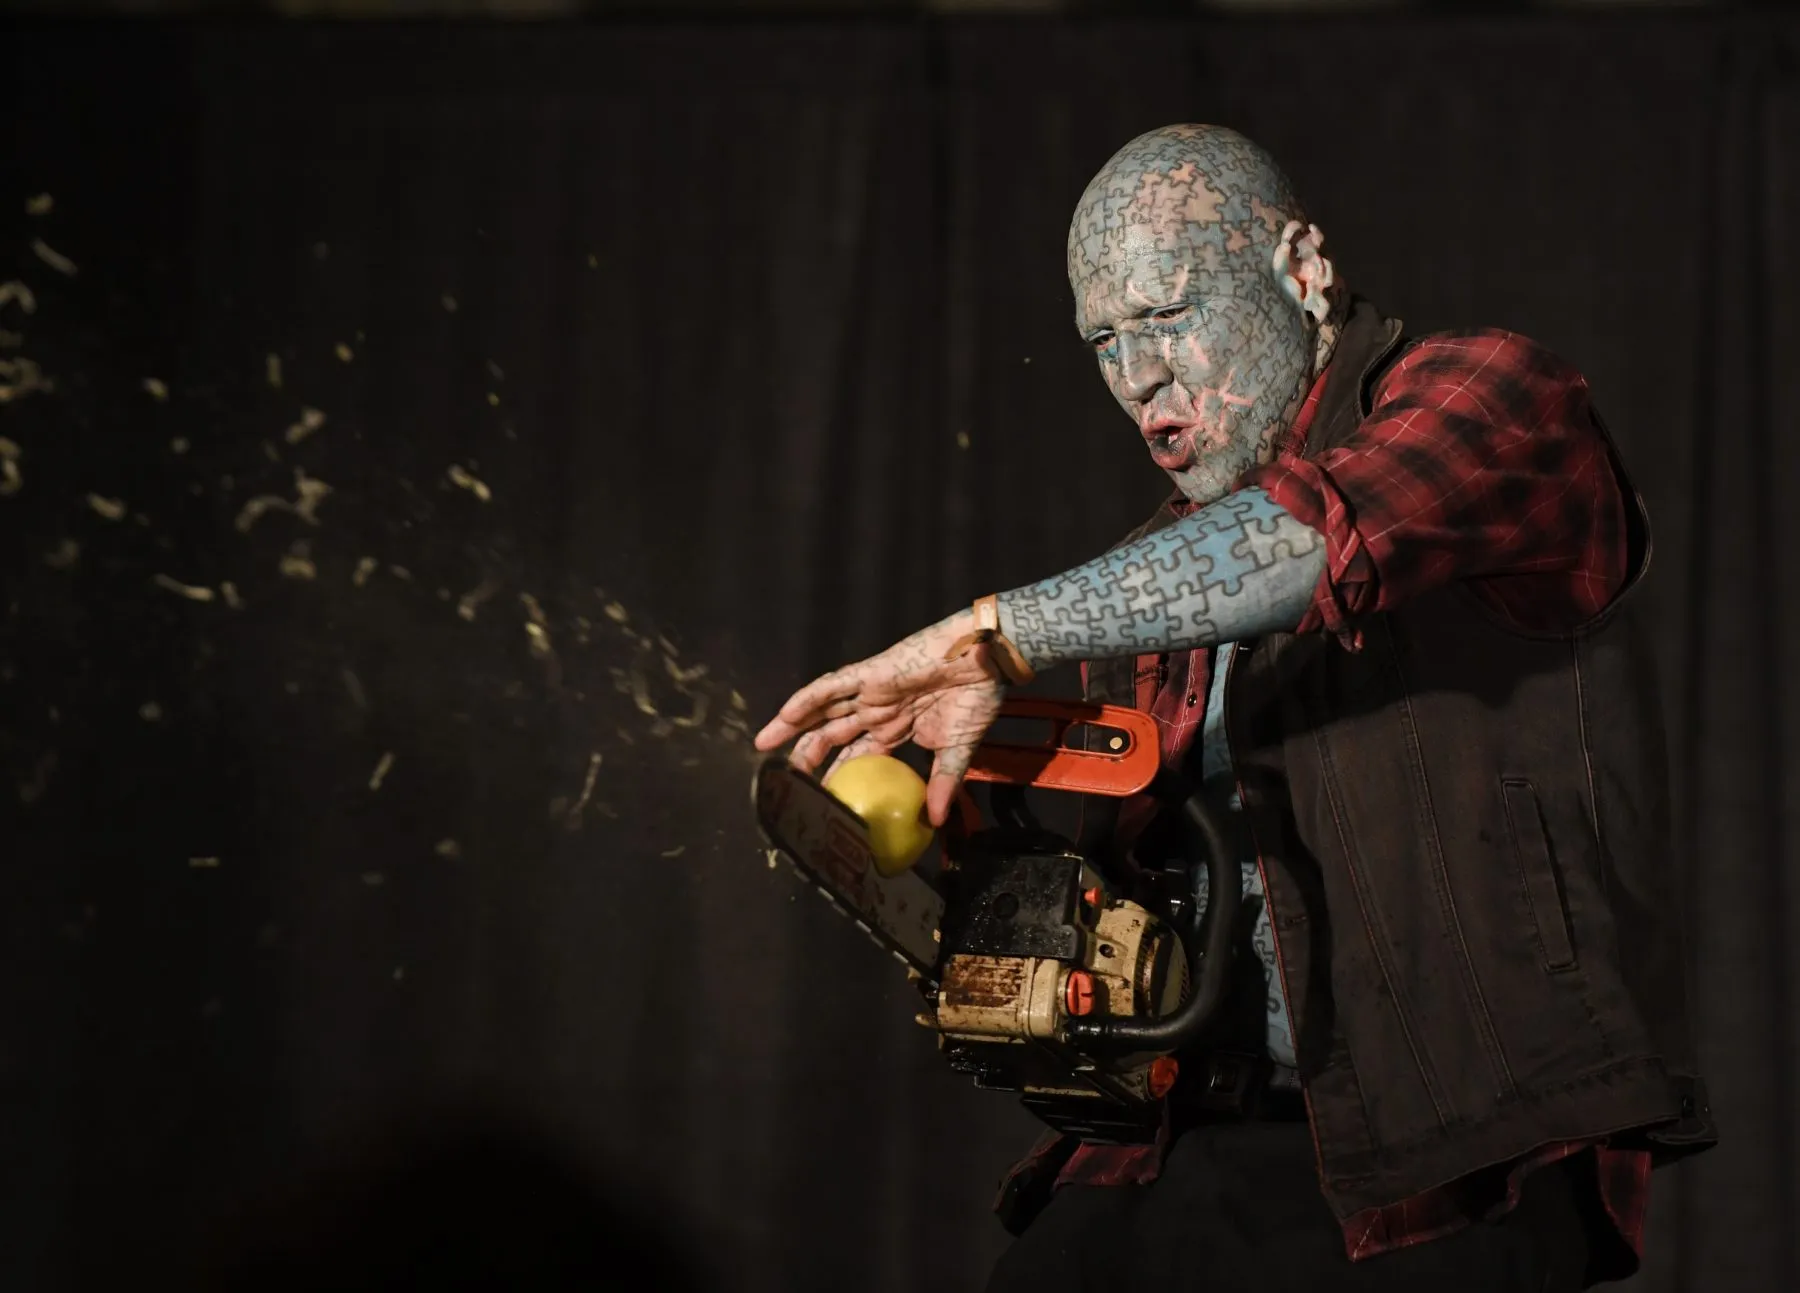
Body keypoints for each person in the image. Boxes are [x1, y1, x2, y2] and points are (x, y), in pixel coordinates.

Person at [753, 124, 1716, 1292]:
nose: (1136, 377)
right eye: (1102, 340)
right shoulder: (1147, 585)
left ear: (1301, 269)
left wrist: (995, 634)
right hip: (1191, 1142)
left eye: (1166, 315)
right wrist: (987, 911)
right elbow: (1160, 920)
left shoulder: (1497, 398)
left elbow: (1314, 536)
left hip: (1459, 1154)